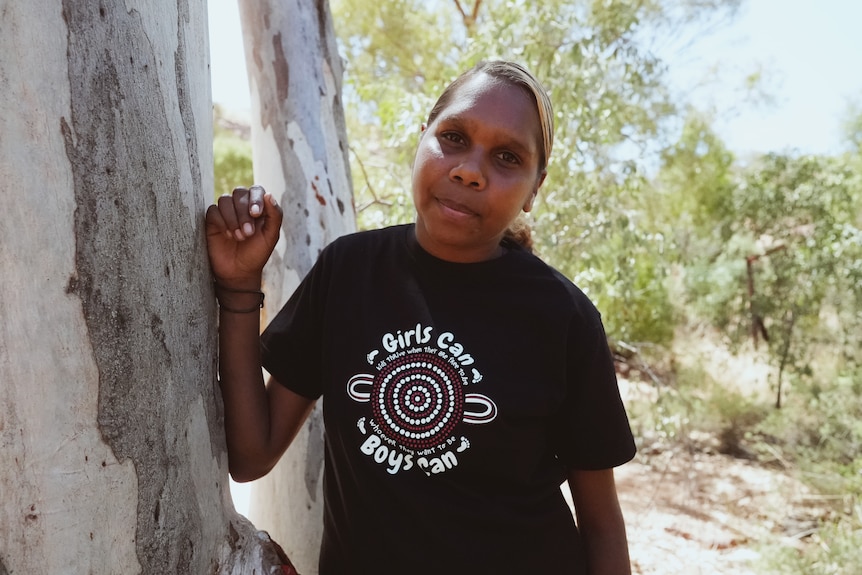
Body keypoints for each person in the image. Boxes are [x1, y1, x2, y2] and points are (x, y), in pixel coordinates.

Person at [205, 60, 636, 574]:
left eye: (506, 157)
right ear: (422, 137)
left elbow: (603, 523)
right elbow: (252, 455)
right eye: (453, 137)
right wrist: (237, 284)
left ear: (535, 186)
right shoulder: (350, 272)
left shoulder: (562, 317)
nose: (469, 170)